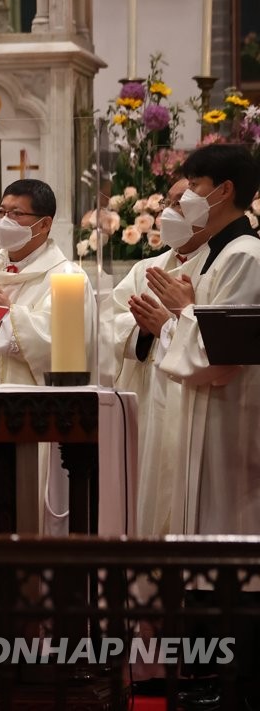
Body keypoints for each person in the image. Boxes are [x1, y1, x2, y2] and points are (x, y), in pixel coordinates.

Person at [0, 179, 94, 536]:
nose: (5, 221)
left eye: (17, 214)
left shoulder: (67, 278)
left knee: (31, 512)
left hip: (36, 417)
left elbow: (68, 349)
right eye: (1, 212)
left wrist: (8, 314)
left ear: (44, 224)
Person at [147, 143, 260, 536]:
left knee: (226, 527)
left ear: (224, 190)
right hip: (205, 412)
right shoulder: (217, 252)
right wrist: (179, 316)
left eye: (195, 185)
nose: (188, 195)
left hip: (232, 419)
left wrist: (179, 314)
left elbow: (223, 355)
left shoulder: (245, 256)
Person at [110, 178, 206, 537]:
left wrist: (170, 322)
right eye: (169, 201)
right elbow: (109, 324)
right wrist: (145, 330)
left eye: (181, 203)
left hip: (189, 397)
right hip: (147, 397)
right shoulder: (143, 270)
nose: (169, 211)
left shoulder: (214, 265)